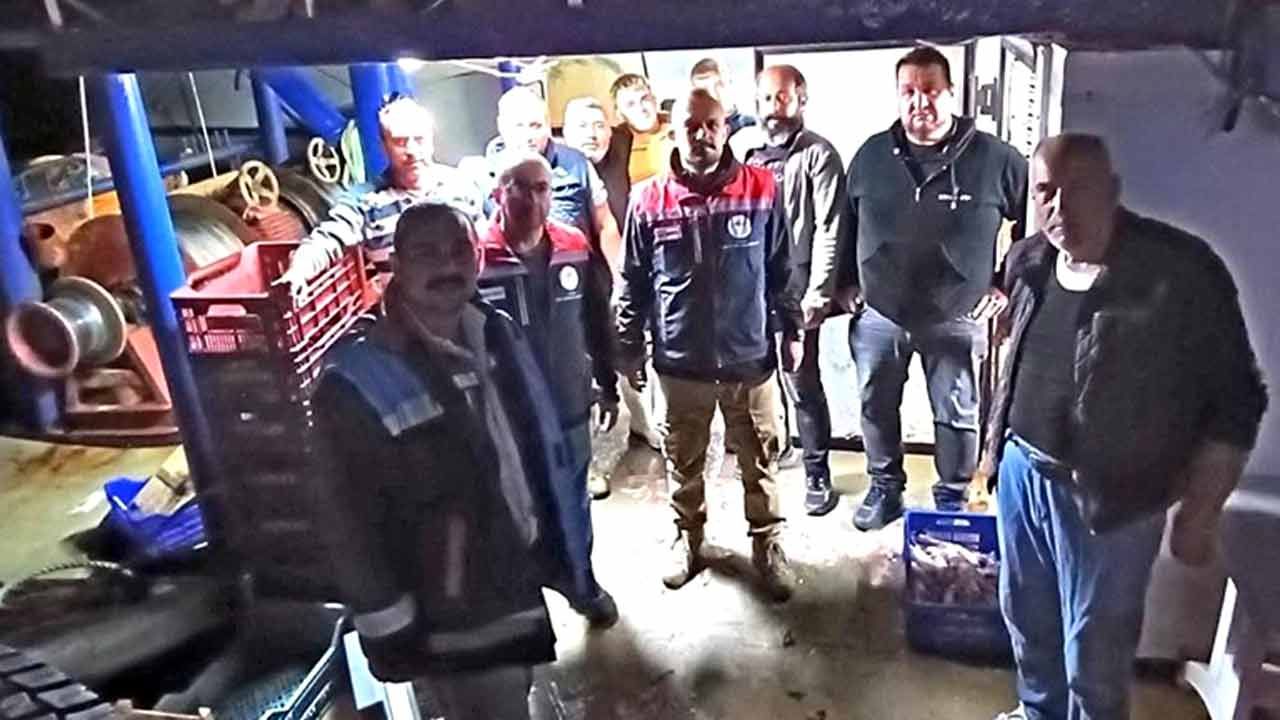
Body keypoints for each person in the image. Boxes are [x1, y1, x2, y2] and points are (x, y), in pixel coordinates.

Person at [984, 134, 1268, 720]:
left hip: (1113, 499)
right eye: (1045, 192)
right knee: (1027, 622)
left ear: (1112, 190)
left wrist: (1199, 511)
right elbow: (1015, 352)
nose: (1059, 208)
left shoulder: (1179, 271)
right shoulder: (1029, 259)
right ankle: (1038, 714)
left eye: (1078, 189)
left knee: (1093, 654)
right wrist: (994, 452)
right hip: (1022, 473)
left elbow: (1238, 400)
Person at [311, 203, 568, 720]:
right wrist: (389, 631)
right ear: (396, 266)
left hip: (512, 575)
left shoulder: (494, 331)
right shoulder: (355, 379)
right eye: (427, 254)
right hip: (452, 612)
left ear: (477, 258)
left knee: (516, 689)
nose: (447, 266)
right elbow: (347, 524)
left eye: (458, 251)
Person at [615, 87, 803, 602]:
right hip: (681, 364)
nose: (701, 136)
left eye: (711, 125)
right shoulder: (647, 200)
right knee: (684, 460)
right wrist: (628, 347)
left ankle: (767, 542)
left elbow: (781, 267)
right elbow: (632, 281)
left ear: (726, 128)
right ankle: (688, 537)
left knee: (760, 459)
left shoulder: (761, 188)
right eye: (690, 126)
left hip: (750, 360)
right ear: (673, 132)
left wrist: (791, 330)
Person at [844, 46, 1028, 530]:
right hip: (880, 313)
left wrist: (1006, 285)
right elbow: (845, 221)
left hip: (957, 315)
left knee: (957, 414)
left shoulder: (996, 159)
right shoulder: (871, 155)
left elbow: (1037, 222)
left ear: (951, 93)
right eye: (908, 91)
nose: (919, 102)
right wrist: (845, 286)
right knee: (875, 405)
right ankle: (885, 489)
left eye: (930, 90)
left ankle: (950, 501)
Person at [476, 152, 620, 627]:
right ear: (498, 193)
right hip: (508, 415)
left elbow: (596, 318)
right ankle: (526, 603)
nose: (534, 199)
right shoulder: (476, 257)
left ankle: (582, 583)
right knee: (518, 505)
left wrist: (608, 381)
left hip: (568, 403)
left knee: (573, 500)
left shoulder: (573, 245)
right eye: (520, 187)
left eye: (542, 188)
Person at [733, 64, 850, 516]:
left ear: (801, 99)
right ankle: (775, 451)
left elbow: (830, 227)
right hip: (750, 290)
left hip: (797, 291)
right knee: (757, 380)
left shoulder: (818, 155)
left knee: (802, 380)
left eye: (782, 98)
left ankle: (817, 471)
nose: (773, 108)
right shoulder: (744, 151)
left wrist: (818, 293)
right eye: (765, 99)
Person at [278, 96, 483, 292]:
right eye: (400, 142)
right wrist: (298, 272)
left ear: (431, 141)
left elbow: (487, 238)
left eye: (419, 140)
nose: (412, 151)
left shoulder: (462, 187)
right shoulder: (364, 202)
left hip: (465, 304)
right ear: (384, 146)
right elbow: (326, 239)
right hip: (404, 314)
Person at [562, 96, 666, 452]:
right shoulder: (562, 169)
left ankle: (647, 423)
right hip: (580, 279)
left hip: (630, 269)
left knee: (638, 345)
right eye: (581, 126)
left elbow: (651, 118)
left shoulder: (623, 150)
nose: (591, 134)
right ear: (565, 132)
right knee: (600, 350)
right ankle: (620, 429)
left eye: (598, 125)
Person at [489, 86, 623, 270]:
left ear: (548, 126)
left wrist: (620, 279)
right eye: (519, 126)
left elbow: (605, 224)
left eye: (535, 126)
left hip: (575, 271)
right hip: (511, 276)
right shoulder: (483, 173)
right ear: (502, 127)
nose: (528, 136)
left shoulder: (577, 164)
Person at [609, 73, 674, 185]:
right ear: (620, 114)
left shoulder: (680, 130)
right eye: (630, 104)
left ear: (654, 99)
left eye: (644, 99)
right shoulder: (615, 146)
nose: (641, 108)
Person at [690, 58, 757, 135]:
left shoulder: (749, 125)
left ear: (730, 84)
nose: (714, 94)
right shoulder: (695, 131)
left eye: (719, 85)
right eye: (705, 90)